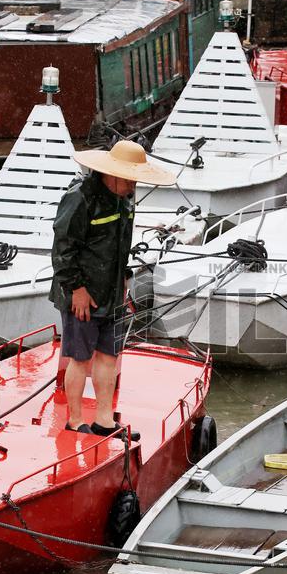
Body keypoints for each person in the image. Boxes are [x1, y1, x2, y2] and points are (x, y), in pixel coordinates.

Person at [50, 139, 176, 435]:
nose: (134, 185)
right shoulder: (80, 197)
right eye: (130, 179)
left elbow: (120, 244)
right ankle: (76, 419)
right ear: (112, 173)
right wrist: (76, 289)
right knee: (80, 358)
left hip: (112, 290)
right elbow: (62, 248)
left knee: (109, 355)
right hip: (83, 293)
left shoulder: (125, 198)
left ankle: (105, 419)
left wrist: (122, 280)